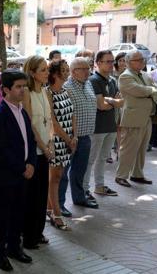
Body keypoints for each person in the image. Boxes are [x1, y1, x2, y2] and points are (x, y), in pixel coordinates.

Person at [0, 69, 36, 271]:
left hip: (23, 172)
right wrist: (22, 167)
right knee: (2, 216)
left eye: (24, 86)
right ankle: (0, 253)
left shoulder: (22, 111)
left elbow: (31, 141)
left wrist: (32, 163)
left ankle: (14, 247)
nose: (22, 90)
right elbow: (1, 148)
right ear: (5, 89)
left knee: (18, 212)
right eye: (18, 87)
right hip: (5, 175)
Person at [115, 51, 157, 188]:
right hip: (133, 117)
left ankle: (137, 174)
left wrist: (150, 91)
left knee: (142, 148)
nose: (142, 61)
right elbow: (138, 90)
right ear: (129, 62)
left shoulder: (145, 75)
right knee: (129, 148)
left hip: (147, 117)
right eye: (138, 60)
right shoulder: (125, 77)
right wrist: (151, 91)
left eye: (142, 59)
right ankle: (121, 175)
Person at [21, 56, 53, 248]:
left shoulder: (46, 92)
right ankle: (28, 235)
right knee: (31, 195)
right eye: (43, 70)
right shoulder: (27, 92)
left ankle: (38, 231)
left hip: (46, 149)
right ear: (32, 72)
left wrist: (51, 144)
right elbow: (30, 124)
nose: (47, 73)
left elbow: (49, 121)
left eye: (47, 69)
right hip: (34, 151)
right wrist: (42, 146)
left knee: (42, 194)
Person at [60, 57, 98, 209]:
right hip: (70, 138)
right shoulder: (66, 87)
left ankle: (79, 198)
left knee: (79, 171)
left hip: (85, 136)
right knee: (62, 174)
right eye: (83, 69)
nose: (87, 71)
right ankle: (59, 204)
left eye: (88, 68)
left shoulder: (88, 84)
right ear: (73, 71)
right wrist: (70, 137)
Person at [84, 50, 123, 198]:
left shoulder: (112, 80)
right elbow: (100, 105)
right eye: (107, 61)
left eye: (112, 61)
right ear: (98, 63)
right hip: (97, 127)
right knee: (91, 160)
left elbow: (122, 101)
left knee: (102, 159)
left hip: (111, 125)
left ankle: (99, 186)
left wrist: (110, 101)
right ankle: (84, 189)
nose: (111, 64)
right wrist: (113, 102)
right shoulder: (94, 80)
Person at [46, 60, 74, 224]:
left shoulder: (66, 91)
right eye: (64, 70)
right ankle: (56, 213)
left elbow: (72, 114)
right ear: (55, 74)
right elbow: (53, 122)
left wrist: (74, 136)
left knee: (59, 175)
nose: (67, 72)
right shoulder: (48, 92)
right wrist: (68, 139)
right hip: (56, 140)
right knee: (55, 177)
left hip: (69, 139)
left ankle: (49, 208)